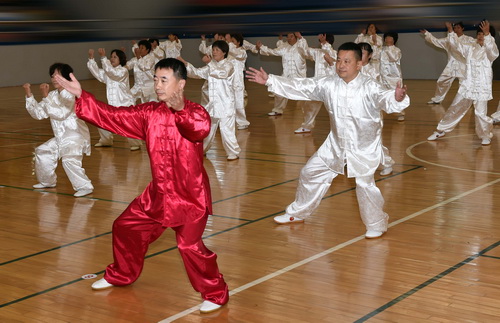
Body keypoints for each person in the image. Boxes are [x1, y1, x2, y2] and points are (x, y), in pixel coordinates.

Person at [55, 58, 229, 314]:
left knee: (189, 246)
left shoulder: (196, 112)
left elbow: (199, 130)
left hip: (190, 198)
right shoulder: (149, 113)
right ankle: (121, 274)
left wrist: (180, 109)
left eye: (164, 80)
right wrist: (82, 95)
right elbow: (112, 117)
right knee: (125, 227)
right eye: (156, 79)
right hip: (158, 195)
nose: (158, 85)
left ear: (180, 84)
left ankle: (216, 293)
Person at [246, 42, 409, 238]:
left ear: (359, 64)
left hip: (364, 147)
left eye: (347, 61)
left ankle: (376, 224)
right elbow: (302, 86)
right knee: (309, 173)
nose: (341, 65)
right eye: (339, 60)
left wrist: (397, 98)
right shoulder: (328, 84)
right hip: (335, 145)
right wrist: (270, 81)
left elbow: (386, 98)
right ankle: (297, 213)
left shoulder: (370, 87)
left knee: (365, 185)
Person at [23, 63, 93, 197]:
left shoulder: (72, 94)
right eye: (52, 75)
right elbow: (38, 114)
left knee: (68, 160)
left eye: (58, 75)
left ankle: (85, 186)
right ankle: (47, 181)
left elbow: (61, 114)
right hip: (61, 137)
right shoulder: (53, 95)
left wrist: (45, 96)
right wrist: (29, 95)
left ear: (66, 77)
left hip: (75, 136)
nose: (54, 78)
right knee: (43, 151)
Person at [427, 20, 498, 146]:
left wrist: (488, 34)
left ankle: (485, 135)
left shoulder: (490, 50)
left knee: (480, 113)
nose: (481, 36)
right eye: (479, 34)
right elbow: (456, 46)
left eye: (484, 34)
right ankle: (441, 130)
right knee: (455, 108)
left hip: (482, 87)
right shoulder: (470, 49)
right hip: (467, 85)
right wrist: (450, 32)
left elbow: (493, 53)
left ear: (489, 36)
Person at [178, 40, 241, 160]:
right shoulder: (211, 66)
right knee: (208, 129)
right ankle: (201, 150)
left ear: (224, 52)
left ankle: (233, 152)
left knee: (226, 130)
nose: (214, 52)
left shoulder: (229, 65)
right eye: (213, 49)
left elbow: (221, 73)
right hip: (213, 104)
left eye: (217, 50)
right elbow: (197, 73)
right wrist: (185, 64)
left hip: (226, 104)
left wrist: (210, 63)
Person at [87, 48, 142, 150]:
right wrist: (91, 59)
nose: (112, 59)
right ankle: (106, 141)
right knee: (101, 119)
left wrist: (103, 58)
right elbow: (98, 73)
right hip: (112, 106)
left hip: (125, 105)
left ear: (120, 59)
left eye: (114, 57)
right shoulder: (109, 72)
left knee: (128, 125)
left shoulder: (123, 71)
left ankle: (136, 143)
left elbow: (112, 73)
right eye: (111, 57)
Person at [359, 42, 395, 176]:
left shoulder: (372, 71)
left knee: (373, 140)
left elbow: (374, 93)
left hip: (370, 112)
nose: (359, 55)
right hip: (354, 110)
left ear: (370, 55)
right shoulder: (352, 69)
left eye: (362, 53)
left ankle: (387, 163)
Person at [256, 32, 310, 116]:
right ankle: (277, 110)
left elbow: (306, 51)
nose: (289, 38)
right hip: (286, 75)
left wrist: (301, 38)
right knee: (279, 92)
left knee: (303, 95)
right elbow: (273, 51)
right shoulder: (284, 47)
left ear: (296, 37)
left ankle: (305, 112)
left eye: (291, 36)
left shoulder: (301, 46)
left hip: (299, 76)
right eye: (288, 37)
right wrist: (262, 47)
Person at [421, 22, 474, 105]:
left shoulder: (469, 39)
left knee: (464, 84)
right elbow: (436, 41)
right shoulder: (448, 40)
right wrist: (427, 34)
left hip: (464, 65)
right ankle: (437, 99)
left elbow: (476, 47)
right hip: (451, 65)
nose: (456, 29)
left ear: (462, 29)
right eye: (455, 28)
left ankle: (466, 100)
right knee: (442, 81)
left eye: (458, 28)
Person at [297, 33, 336, 134]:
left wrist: (301, 38)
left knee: (336, 108)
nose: (318, 36)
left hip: (330, 85)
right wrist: (301, 38)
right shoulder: (318, 52)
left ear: (324, 36)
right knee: (310, 105)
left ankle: (342, 129)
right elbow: (305, 51)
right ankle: (306, 126)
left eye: (320, 35)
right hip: (319, 84)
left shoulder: (330, 52)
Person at [379, 31, 405, 121]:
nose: (387, 39)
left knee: (397, 94)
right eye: (386, 37)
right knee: (381, 94)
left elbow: (393, 58)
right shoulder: (381, 49)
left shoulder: (397, 50)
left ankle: (400, 112)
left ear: (394, 40)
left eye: (389, 37)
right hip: (383, 76)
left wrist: (388, 49)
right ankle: (380, 112)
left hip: (394, 76)